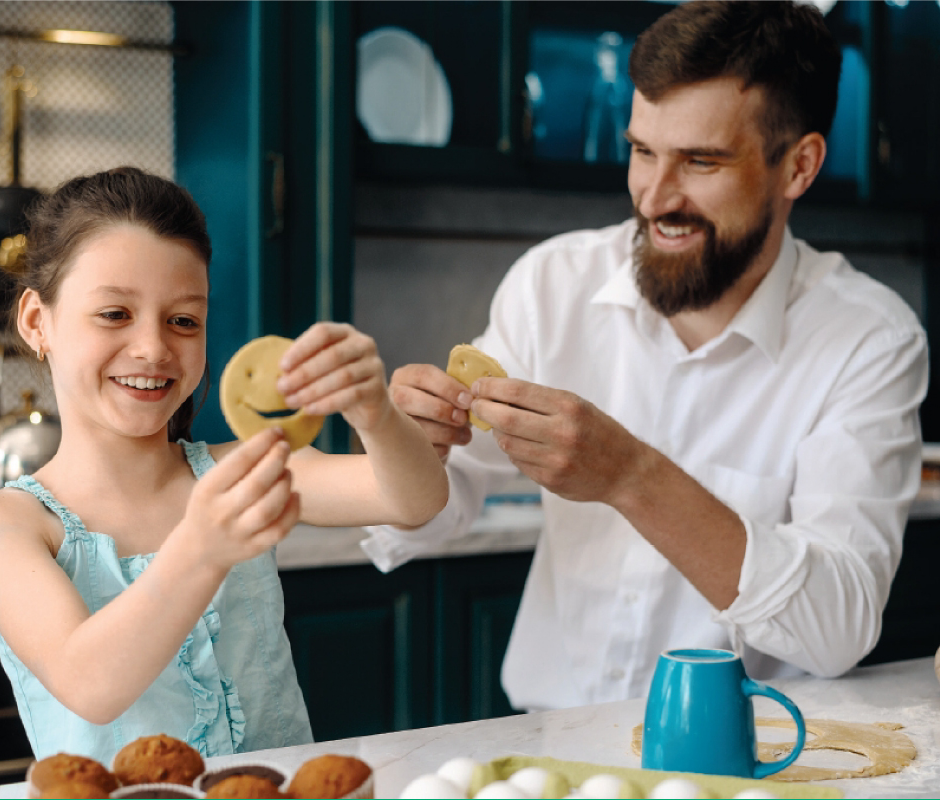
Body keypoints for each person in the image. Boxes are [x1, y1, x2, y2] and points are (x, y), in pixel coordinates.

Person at [365, 0, 929, 712]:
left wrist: (631, 475)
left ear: (800, 167)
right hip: (550, 747)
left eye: (700, 161)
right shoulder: (551, 284)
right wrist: (407, 442)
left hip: (756, 761)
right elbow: (437, 510)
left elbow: (836, 626)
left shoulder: (870, 340)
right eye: (641, 151)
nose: (654, 197)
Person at [0, 167, 449, 762]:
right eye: (114, 314)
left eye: (183, 320)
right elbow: (91, 685)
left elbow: (415, 500)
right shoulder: (0, 524)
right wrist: (202, 547)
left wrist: (375, 412)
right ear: (38, 322)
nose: (154, 349)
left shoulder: (244, 469)